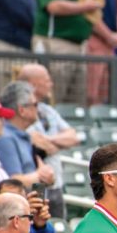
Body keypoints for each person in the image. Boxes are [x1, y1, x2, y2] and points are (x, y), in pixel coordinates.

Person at [19, 64, 81, 205]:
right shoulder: (20, 112)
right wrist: (58, 143)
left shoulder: (47, 110)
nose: (51, 84)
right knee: (38, 224)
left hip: (56, 184)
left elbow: (73, 137)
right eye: (47, 81)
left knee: (57, 224)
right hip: (35, 186)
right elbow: (36, 143)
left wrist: (48, 140)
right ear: (32, 84)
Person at [0, 81, 57, 189]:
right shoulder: (5, 139)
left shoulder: (23, 136)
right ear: (22, 110)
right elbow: (12, 181)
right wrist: (41, 175)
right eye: (35, 104)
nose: (38, 109)